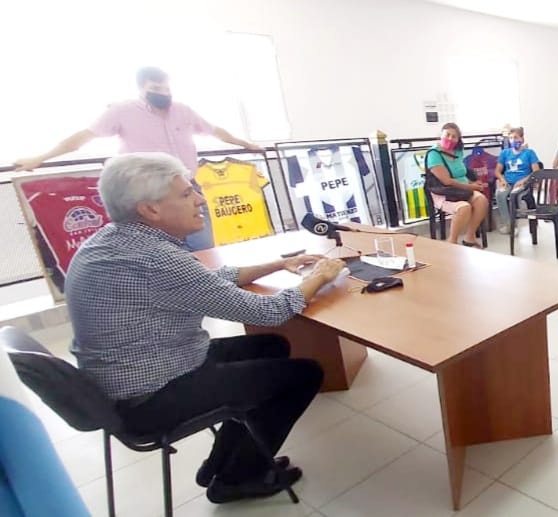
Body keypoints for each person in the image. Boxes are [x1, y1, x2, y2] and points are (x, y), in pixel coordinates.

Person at [64, 153, 344, 504]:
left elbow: (205, 281)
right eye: (186, 194)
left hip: (127, 380)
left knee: (270, 346)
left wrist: (279, 263)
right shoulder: (157, 258)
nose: (200, 199)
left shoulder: (114, 240)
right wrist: (320, 277)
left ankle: (223, 463)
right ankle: (236, 479)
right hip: (150, 397)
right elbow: (270, 311)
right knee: (305, 374)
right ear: (150, 209)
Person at [11, 67, 263, 251]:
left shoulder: (183, 111)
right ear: (142, 88)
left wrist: (247, 144)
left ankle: (206, 294)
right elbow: (83, 138)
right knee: (160, 252)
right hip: (149, 195)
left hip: (187, 187)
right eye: (156, 89)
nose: (163, 94)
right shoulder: (122, 111)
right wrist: (40, 158)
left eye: (167, 89)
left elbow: (216, 131)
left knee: (203, 245)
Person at [425, 123, 488, 247]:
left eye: (454, 136)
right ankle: (452, 242)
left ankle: (469, 237)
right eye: (447, 135)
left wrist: (473, 182)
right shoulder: (434, 154)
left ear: (458, 139)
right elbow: (447, 181)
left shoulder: (458, 151)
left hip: (462, 190)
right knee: (464, 208)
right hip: (444, 193)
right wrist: (471, 187)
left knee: (482, 201)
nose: (450, 138)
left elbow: (462, 172)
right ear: (441, 135)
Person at [493, 127, 541, 233]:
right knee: (499, 194)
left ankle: (517, 223)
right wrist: (502, 180)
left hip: (523, 183)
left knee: (515, 195)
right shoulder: (505, 153)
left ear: (522, 139)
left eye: (515, 137)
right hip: (508, 182)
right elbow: (497, 171)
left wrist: (522, 181)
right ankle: (508, 224)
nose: (513, 140)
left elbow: (536, 172)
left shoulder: (529, 153)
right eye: (510, 138)